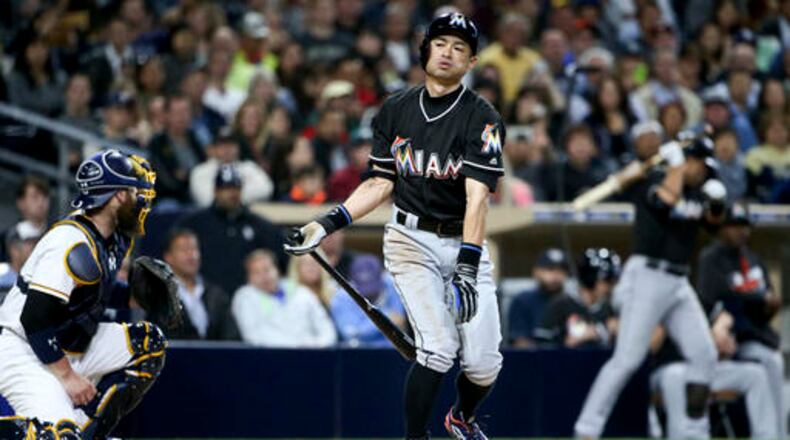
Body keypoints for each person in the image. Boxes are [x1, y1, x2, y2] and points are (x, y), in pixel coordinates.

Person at [286, 13, 505, 439]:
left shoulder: (483, 116)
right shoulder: (396, 109)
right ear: (425, 49)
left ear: (472, 61)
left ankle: (461, 417)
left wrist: (467, 265)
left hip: (464, 241)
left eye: (460, 48)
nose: (448, 52)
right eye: (441, 43)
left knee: (484, 364)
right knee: (438, 350)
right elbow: (380, 181)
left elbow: (477, 196)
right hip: (411, 240)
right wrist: (327, 222)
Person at [0, 150, 165, 439]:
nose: (140, 199)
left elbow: (86, 300)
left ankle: (91, 434)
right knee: (59, 436)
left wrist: (134, 299)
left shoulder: (113, 236)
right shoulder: (71, 242)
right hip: (24, 349)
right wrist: (68, 377)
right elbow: (35, 319)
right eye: (131, 190)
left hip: (68, 342)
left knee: (148, 344)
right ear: (116, 196)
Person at [574, 137, 729, 439]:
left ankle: (694, 432)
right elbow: (663, 202)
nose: (703, 170)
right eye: (698, 163)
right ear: (687, 160)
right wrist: (674, 166)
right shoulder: (653, 177)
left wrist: (718, 201)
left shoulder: (697, 190)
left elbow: (714, 224)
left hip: (679, 280)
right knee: (628, 358)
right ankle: (586, 430)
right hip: (648, 274)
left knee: (704, 355)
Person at [696, 203, 785, 437]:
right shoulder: (710, 259)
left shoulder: (753, 259)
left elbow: (764, 308)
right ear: (722, 228)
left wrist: (769, 306)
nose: (742, 232)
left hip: (756, 336)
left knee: (772, 361)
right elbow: (711, 303)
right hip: (728, 340)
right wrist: (757, 298)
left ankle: (777, 433)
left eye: (745, 226)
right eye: (735, 226)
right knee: (771, 362)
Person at [648, 315, 779, 439]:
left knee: (755, 374)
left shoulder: (707, 298)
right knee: (676, 375)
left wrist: (724, 341)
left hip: (705, 367)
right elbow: (650, 347)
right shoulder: (663, 300)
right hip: (667, 368)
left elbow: (724, 330)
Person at [177, 164, 287, 296]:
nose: (232, 193)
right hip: (208, 299)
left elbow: (281, 259)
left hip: (251, 300)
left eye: (236, 188)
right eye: (226, 188)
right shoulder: (194, 224)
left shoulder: (259, 225)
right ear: (216, 191)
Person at [231, 250, 336, 348]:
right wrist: (297, 346)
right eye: (256, 272)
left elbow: (326, 330)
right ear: (249, 278)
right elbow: (254, 337)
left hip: (311, 355)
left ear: (277, 270)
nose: (263, 276)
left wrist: (315, 346)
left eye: (266, 269)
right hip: (272, 358)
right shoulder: (245, 297)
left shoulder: (301, 292)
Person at [534, 248, 620, 349]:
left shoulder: (611, 307)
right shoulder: (560, 305)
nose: (611, 287)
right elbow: (541, 350)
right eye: (607, 281)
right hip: (567, 363)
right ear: (590, 278)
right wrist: (568, 344)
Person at [162, 229, 239, 341]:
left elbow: (232, 338)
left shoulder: (217, 295)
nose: (191, 255)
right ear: (168, 257)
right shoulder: (159, 294)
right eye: (183, 250)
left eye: (194, 249)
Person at [330, 254, 406, 347]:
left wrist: (365, 328)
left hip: (392, 352)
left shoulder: (393, 285)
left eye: (373, 287)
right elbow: (351, 334)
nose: (370, 294)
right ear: (353, 282)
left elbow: (399, 327)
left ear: (382, 276)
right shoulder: (341, 298)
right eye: (364, 288)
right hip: (358, 355)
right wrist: (385, 319)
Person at [148, 95, 206, 204]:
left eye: (186, 112)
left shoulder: (196, 139)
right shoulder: (157, 143)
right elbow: (167, 180)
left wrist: (186, 175)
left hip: (198, 193)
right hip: (169, 197)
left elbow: (204, 168)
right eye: (177, 112)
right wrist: (192, 177)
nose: (182, 117)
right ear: (167, 115)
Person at [507, 248, 570, 347]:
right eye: (550, 269)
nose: (556, 275)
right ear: (536, 272)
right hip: (533, 359)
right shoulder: (523, 301)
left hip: (569, 358)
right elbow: (520, 343)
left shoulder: (571, 303)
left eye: (561, 270)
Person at [190, 134, 274, 207]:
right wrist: (239, 195)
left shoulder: (248, 167)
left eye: (231, 145)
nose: (227, 149)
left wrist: (228, 195)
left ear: (237, 148)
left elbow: (266, 189)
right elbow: (207, 200)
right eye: (222, 146)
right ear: (213, 149)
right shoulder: (201, 170)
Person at [1, 176, 50, 262]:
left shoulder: (56, 234)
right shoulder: (4, 240)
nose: (41, 200)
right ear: (21, 202)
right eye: (35, 196)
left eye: (45, 195)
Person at [0, 222, 42, 303]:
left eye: (38, 242)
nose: (37, 247)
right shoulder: (1, 275)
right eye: (31, 243)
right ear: (14, 249)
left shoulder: (41, 276)